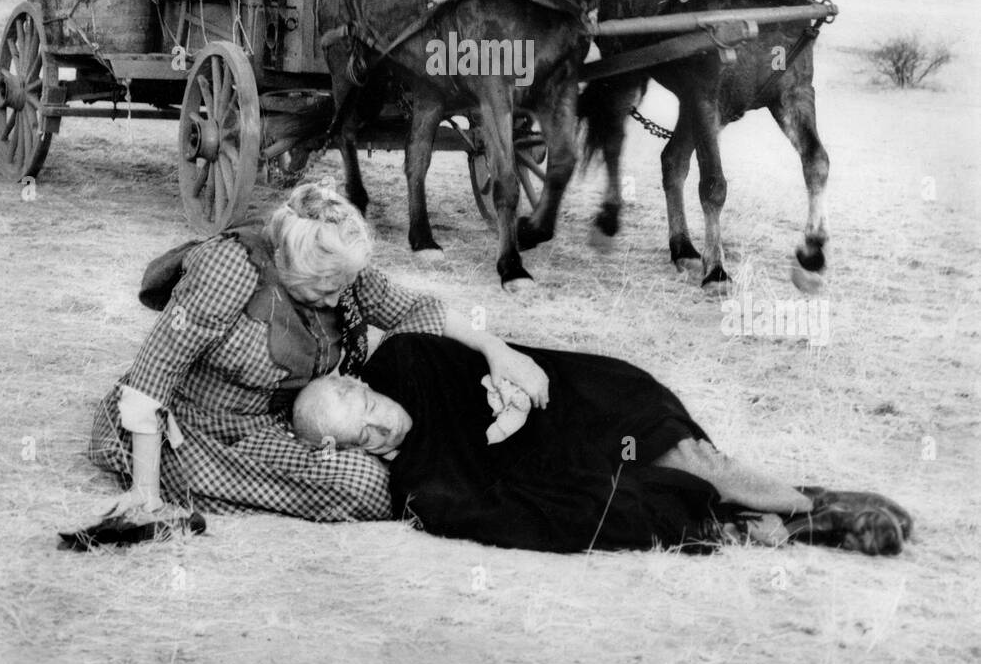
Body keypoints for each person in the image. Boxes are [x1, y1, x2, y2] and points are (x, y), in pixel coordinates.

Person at [77, 182, 549, 543]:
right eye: (324, 288)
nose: (337, 297)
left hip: (275, 427)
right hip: (189, 426)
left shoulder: (338, 266)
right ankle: (159, 481)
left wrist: (496, 349)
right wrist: (145, 496)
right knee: (368, 484)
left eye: (341, 286)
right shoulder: (231, 266)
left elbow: (413, 307)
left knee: (374, 482)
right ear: (286, 260)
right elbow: (154, 373)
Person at [293, 333, 914, 557]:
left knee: (666, 445)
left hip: (571, 401)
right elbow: (499, 513)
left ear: (358, 381)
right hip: (556, 473)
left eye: (368, 408)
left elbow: (493, 360)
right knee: (638, 496)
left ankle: (806, 502)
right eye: (364, 439)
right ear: (348, 451)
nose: (381, 428)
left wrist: (506, 391)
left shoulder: (405, 360)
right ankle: (795, 520)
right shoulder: (418, 485)